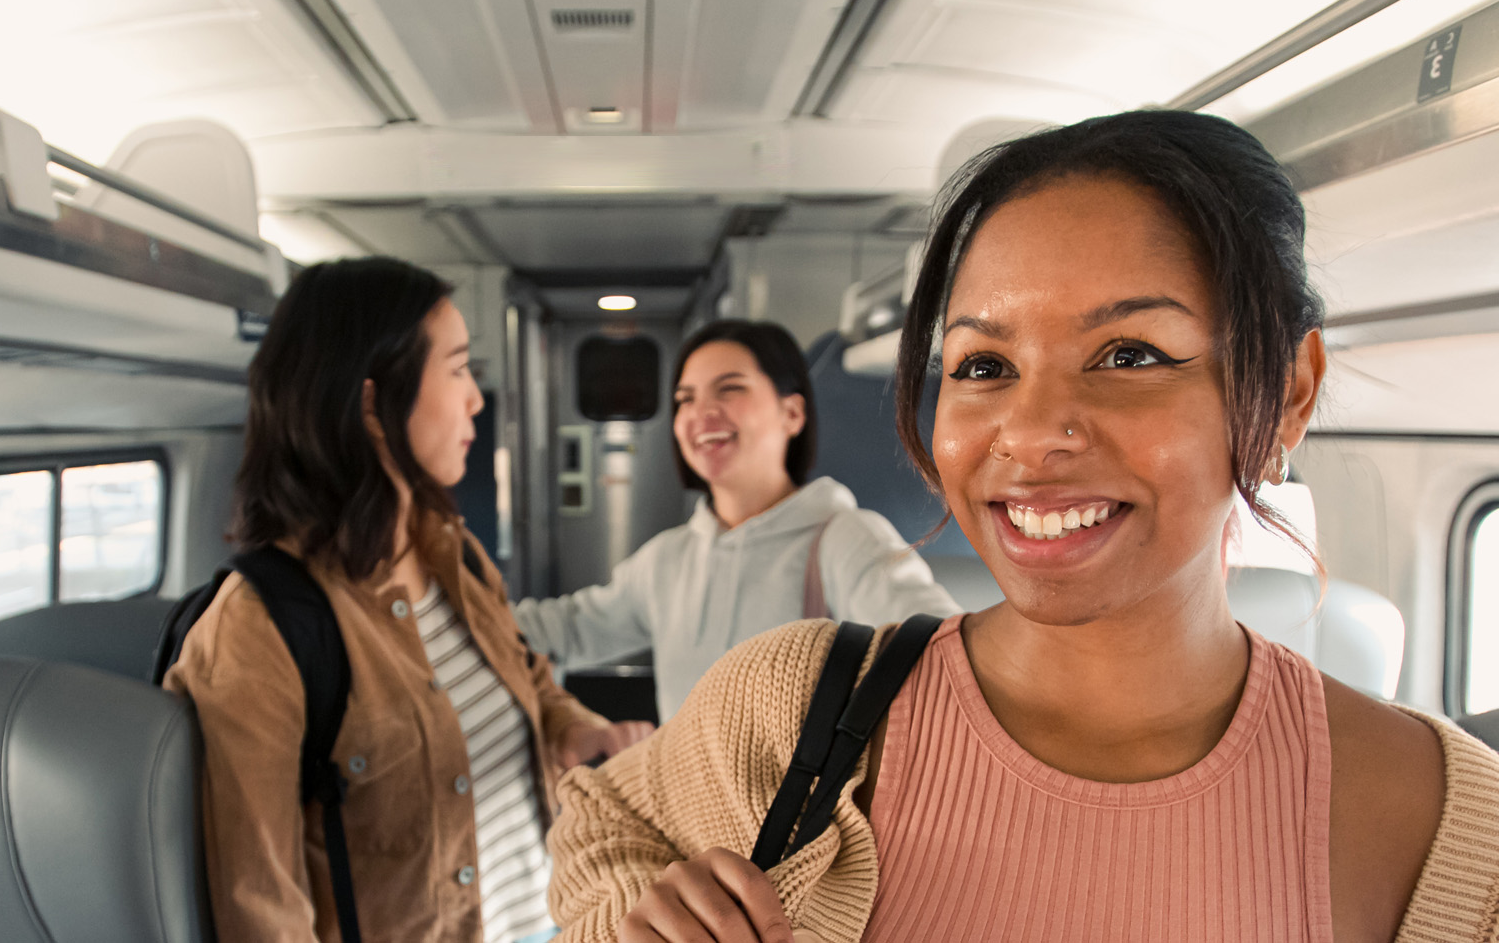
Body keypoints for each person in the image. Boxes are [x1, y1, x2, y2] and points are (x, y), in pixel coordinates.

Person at [544, 111, 1499, 942]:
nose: (1032, 432)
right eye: (983, 366)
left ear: (1287, 392)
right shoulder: (794, 707)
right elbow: (600, 825)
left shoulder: (1444, 822)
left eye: (1128, 353)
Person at [166, 256, 652, 943]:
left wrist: (574, 728)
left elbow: (529, 676)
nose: (477, 398)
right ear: (372, 404)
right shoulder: (256, 629)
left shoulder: (452, 553)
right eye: (456, 368)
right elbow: (262, 911)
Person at [513, 320, 960, 721]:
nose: (701, 413)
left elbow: (940, 654)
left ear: (793, 413)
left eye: (730, 389)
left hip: (799, 813)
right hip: (691, 809)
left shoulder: (844, 540)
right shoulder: (668, 560)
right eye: (685, 399)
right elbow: (567, 631)